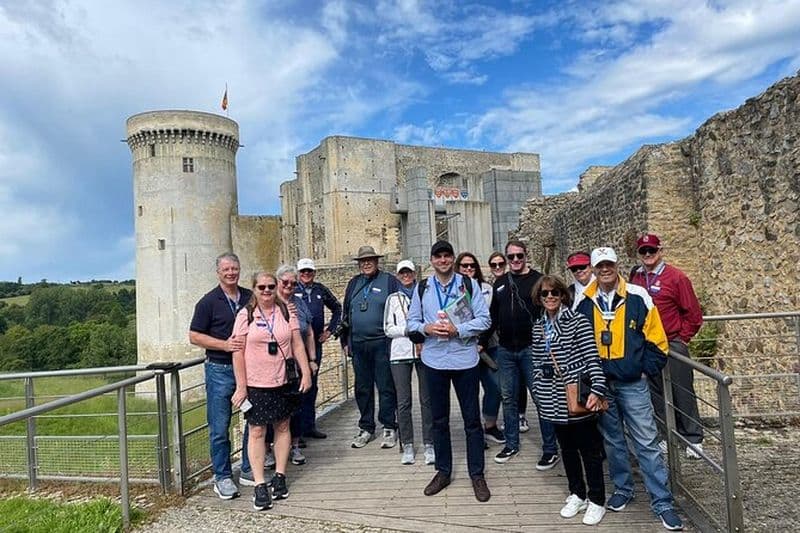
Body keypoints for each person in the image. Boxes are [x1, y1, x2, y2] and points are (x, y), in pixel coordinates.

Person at [574, 247, 683, 531]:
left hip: (633, 383)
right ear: (594, 269)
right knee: (613, 441)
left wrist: (642, 369)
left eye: (609, 264)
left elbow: (658, 341)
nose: (605, 270)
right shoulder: (584, 301)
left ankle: (662, 501)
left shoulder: (637, 296)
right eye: (600, 266)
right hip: (602, 386)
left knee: (646, 441)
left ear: (616, 265)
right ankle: (623, 488)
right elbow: (576, 345)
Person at [407, 240, 492, 502]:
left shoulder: (468, 284)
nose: (443, 260)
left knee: (472, 421)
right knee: (439, 420)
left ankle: (476, 474)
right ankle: (443, 471)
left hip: (464, 359)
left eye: (447, 256)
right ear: (431, 260)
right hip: (434, 360)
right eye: (438, 256)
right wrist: (427, 329)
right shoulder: (423, 288)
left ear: (452, 259)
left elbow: (484, 319)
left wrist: (459, 330)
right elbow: (412, 322)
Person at [529, 275, 608, 526]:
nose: (550, 297)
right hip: (551, 396)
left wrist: (597, 388)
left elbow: (592, 357)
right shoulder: (538, 326)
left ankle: (597, 499)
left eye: (554, 293)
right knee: (567, 449)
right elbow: (536, 362)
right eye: (545, 294)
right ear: (539, 298)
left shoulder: (577, 321)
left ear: (563, 295)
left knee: (589, 449)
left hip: (576, 391)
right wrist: (539, 394)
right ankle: (577, 493)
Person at [231, 272, 312, 510]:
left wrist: (306, 371)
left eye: (270, 287)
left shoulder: (287, 310)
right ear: (254, 289)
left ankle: (280, 475)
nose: (267, 291)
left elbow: (297, 342)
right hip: (257, 383)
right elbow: (237, 352)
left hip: (284, 379)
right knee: (256, 431)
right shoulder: (245, 315)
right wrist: (241, 385)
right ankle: (259, 484)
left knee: (283, 426)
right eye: (262, 287)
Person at [484, 240, 558, 469]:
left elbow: (551, 310)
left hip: (532, 349)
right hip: (506, 349)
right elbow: (493, 316)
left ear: (526, 256)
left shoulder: (538, 281)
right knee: (508, 398)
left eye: (519, 256)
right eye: (511, 257)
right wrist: (480, 342)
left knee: (541, 398)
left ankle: (550, 449)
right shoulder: (501, 282)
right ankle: (512, 444)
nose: (515, 261)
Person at [630, 234, 704, 459]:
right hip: (648, 343)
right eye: (643, 251)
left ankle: (693, 438)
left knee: (682, 390)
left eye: (652, 250)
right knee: (656, 392)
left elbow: (693, 313)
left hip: (672, 342)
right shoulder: (636, 277)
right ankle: (665, 435)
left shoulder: (676, 277)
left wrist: (682, 338)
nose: (648, 255)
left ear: (660, 251)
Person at [188, 253, 252, 500]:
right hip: (219, 370)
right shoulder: (208, 302)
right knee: (219, 427)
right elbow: (194, 335)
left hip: (247, 369)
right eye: (226, 269)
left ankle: (248, 468)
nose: (231, 273)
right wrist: (223, 345)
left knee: (253, 420)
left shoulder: (249, 297)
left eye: (234, 268)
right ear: (218, 272)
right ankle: (222, 476)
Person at [340, 245, 400, 449]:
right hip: (358, 344)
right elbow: (345, 314)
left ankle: (389, 425)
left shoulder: (389, 281)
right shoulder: (353, 284)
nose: (366, 263)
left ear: (377, 261)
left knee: (385, 386)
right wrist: (345, 342)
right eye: (363, 261)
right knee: (362, 388)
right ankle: (366, 427)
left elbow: (399, 309)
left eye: (370, 260)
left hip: (382, 342)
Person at [383, 259, 434, 465]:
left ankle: (430, 443)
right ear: (397, 276)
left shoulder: (424, 294)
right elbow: (387, 328)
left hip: (424, 351)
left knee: (427, 399)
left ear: (415, 274)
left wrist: (420, 332)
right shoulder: (392, 299)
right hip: (400, 352)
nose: (406, 276)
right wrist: (408, 330)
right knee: (403, 401)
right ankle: (408, 444)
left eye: (409, 273)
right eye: (402, 273)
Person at [457, 252, 504, 446]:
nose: (468, 269)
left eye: (472, 266)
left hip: (487, 345)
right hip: (463, 347)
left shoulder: (486, 289)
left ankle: (490, 425)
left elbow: (491, 317)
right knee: (470, 392)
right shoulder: (453, 290)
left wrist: (482, 342)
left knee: (495, 387)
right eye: (464, 266)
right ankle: (475, 432)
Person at [296, 258, 342, 440]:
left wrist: (330, 330)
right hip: (295, 345)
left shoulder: (320, 289)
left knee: (312, 386)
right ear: (298, 273)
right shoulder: (292, 289)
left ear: (314, 273)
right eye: (303, 272)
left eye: (309, 271)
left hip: (315, 344)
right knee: (297, 386)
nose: (306, 274)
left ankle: (309, 426)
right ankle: (296, 433)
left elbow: (337, 308)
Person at [277, 265, 316, 465]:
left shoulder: (299, 304)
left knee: (296, 407)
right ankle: (269, 451)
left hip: (297, 366)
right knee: (274, 409)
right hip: (274, 366)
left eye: (293, 283)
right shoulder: (268, 303)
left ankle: (295, 446)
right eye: (285, 282)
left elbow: (308, 332)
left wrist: (311, 360)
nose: (289, 287)